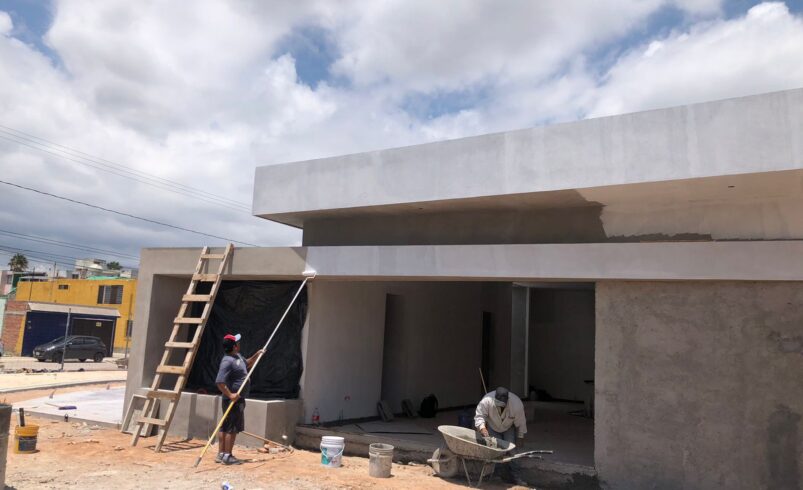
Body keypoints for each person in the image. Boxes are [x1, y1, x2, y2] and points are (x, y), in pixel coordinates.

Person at [214, 333, 263, 465]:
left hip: (237, 399)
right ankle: (227, 456)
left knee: (226, 426)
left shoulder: (238, 357)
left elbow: (247, 364)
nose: (239, 343)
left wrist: (257, 355)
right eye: (237, 342)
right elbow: (219, 382)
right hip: (232, 401)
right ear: (235, 346)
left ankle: (221, 454)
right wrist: (230, 395)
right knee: (231, 428)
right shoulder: (227, 361)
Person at [475, 387, 527, 484]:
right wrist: (482, 428)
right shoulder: (486, 400)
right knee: (496, 450)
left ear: (508, 400)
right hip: (493, 426)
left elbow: (521, 422)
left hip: (508, 427)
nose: (501, 408)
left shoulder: (516, 404)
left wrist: (520, 436)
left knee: (512, 451)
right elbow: (479, 416)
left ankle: (516, 477)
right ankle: (497, 475)